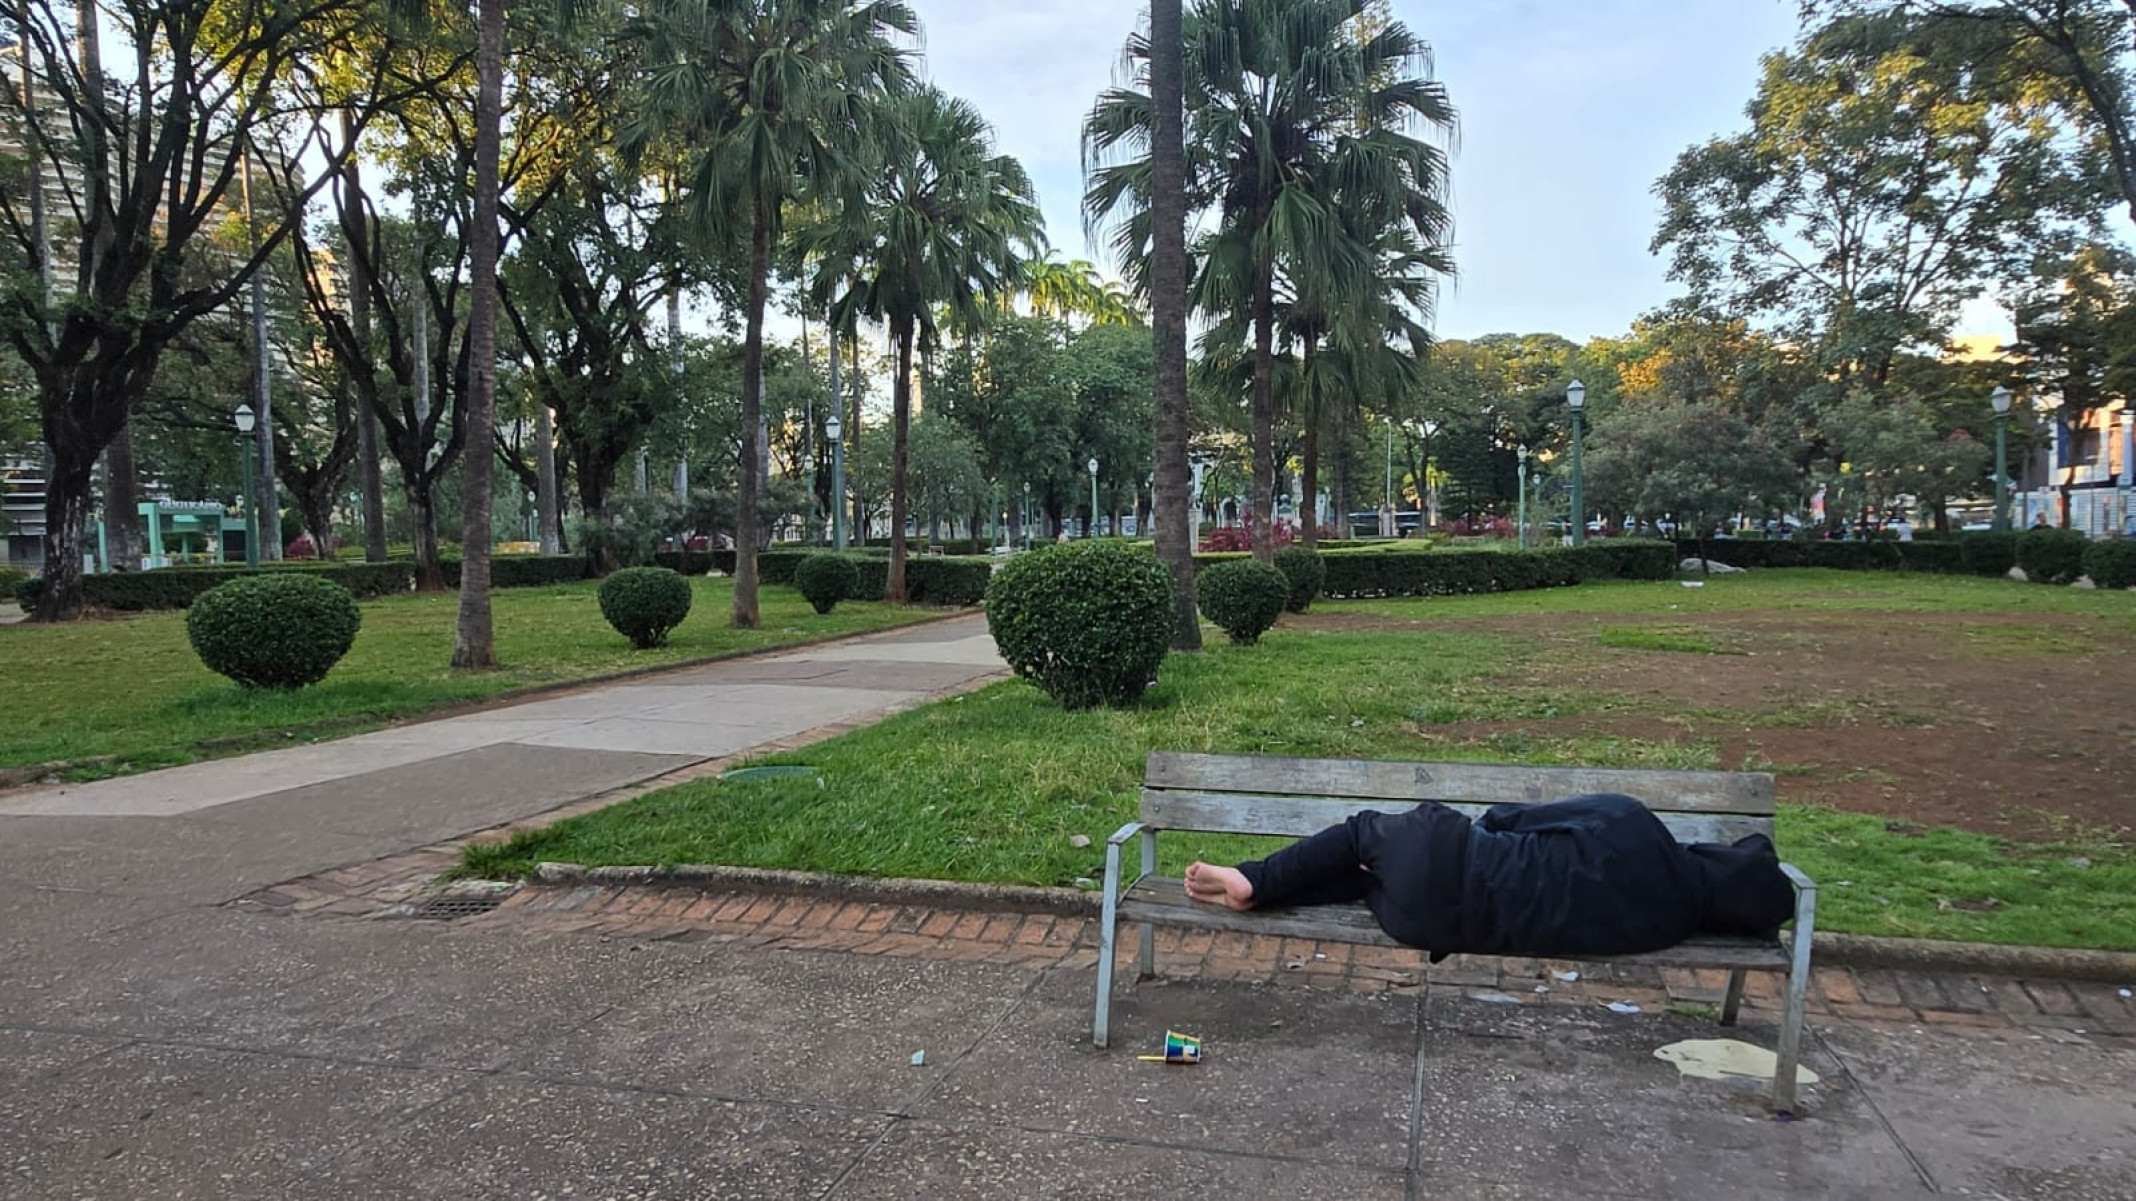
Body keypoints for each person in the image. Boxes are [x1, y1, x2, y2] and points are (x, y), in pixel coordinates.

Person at [1184, 793, 1794, 961]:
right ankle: (1258, 897)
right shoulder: (1664, 928)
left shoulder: (1633, 825)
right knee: (1366, 877)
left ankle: (1252, 881)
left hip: (1457, 865)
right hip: (1425, 925)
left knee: (1363, 833)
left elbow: (1510, 818)